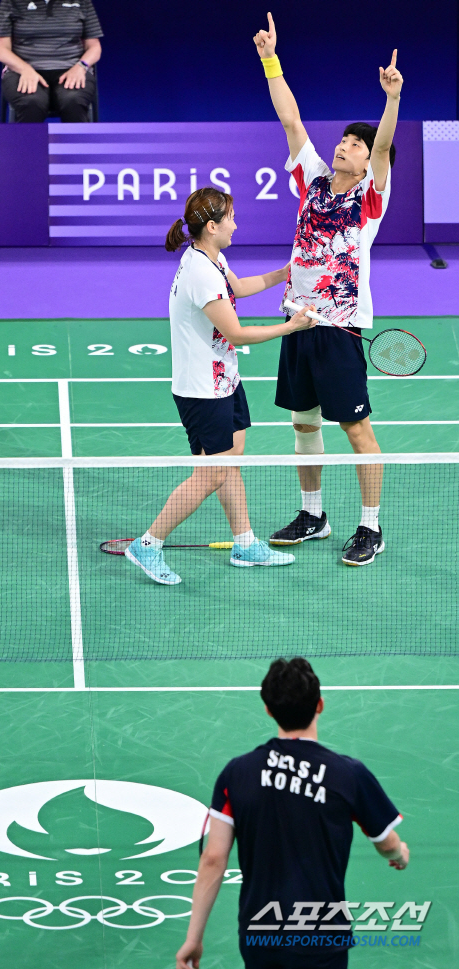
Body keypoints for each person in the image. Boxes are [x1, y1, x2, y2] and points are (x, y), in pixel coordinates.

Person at [253, 13, 403, 566]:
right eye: (343, 139)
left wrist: (390, 102)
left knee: (356, 427)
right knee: (303, 423)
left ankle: (371, 527)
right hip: (298, 320)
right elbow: (290, 118)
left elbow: (385, 148)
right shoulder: (312, 178)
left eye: (354, 144)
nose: (344, 145)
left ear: (368, 161)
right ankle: (314, 514)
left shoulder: (371, 199)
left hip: (339, 325)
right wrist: (271, 58)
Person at [125, 187, 316, 585]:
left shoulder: (212, 258)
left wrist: (282, 274)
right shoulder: (199, 274)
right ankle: (148, 544)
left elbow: (239, 288)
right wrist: (292, 327)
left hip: (223, 378)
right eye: (230, 218)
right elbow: (237, 333)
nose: (236, 223)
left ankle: (245, 542)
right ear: (211, 227)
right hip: (200, 389)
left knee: (233, 454)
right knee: (212, 472)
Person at [176, 657, 409, 969]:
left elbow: (214, 859)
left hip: (261, 932)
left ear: (268, 709)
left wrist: (193, 938)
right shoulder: (348, 775)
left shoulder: (237, 773)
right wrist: (400, 854)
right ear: (320, 705)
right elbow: (387, 843)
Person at [0, 0, 102, 122]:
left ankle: (75, 141)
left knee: (73, 101)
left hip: (72, 69)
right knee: (32, 102)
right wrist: (25, 69)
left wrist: (81, 66)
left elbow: (94, 47)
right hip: (22, 71)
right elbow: (2, 49)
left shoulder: (82, 2)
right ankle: (27, 141)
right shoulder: (11, 2)